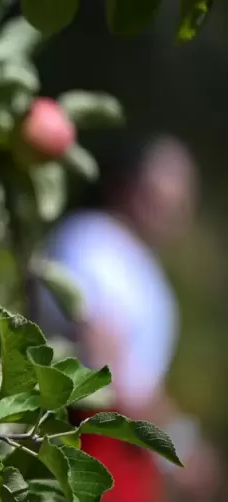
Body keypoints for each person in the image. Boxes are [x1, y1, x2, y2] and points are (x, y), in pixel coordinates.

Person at [34, 130, 221, 502]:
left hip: (128, 457)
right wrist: (180, 442)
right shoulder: (91, 243)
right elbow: (109, 364)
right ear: (128, 184)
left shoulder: (141, 266)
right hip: (92, 443)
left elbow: (144, 374)